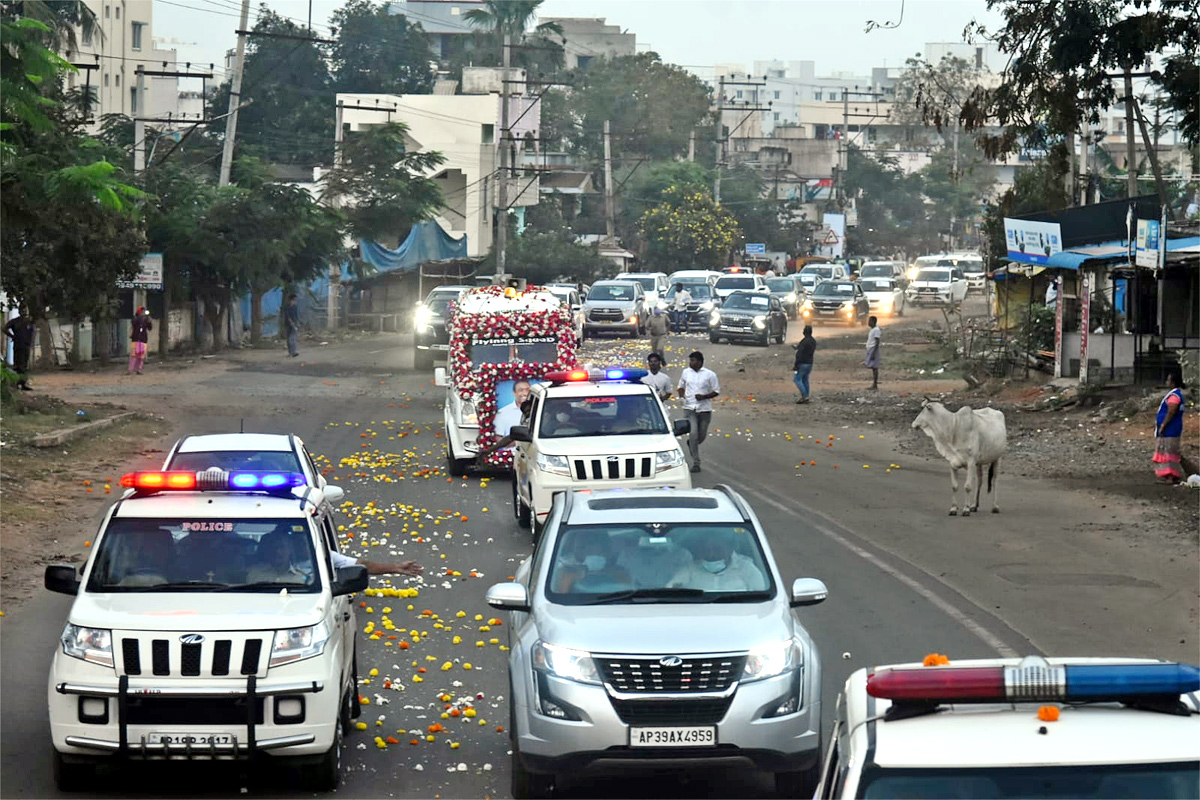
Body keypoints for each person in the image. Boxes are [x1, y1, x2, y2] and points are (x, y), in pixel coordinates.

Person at [667, 531, 766, 591]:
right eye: (707, 550)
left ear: (730, 549)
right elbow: (670, 589)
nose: (711, 554)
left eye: (717, 549)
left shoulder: (747, 569)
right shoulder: (690, 570)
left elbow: (763, 601)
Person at [677, 351, 720, 473]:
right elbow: (681, 386)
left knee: (701, 436)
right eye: (690, 360)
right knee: (694, 433)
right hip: (690, 408)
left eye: (693, 360)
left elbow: (716, 390)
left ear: (700, 362)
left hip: (705, 409)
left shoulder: (710, 375)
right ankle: (696, 462)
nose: (691, 363)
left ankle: (692, 443)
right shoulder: (686, 372)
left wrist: (704, 396)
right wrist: (681, 398)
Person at [554, 535, 632, 594]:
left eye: (590, 548)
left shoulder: (619, 572)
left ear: (605, 552)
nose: (584, 552)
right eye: (581, 548)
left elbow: (628, 594)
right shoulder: (566, 573)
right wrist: (583, 571)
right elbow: (561, 596)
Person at [1153, 368, 1188, 484]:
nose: (1166, 382)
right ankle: (1170, 475)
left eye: (1168, 380)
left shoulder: (1174, 396)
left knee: (1169, 452)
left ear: (1172, 382)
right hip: (1171, 429)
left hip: (1170, 429)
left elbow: (1171, 411)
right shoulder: (1175, 394)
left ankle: (1171, 476)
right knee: (1169, 451)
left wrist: (1163, 424)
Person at [4, 307, 35, 390]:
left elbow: (32, 333)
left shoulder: (29, 321)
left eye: (25, 310)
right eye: (23, 310)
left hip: (26, 346)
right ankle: (17, 383)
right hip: (18, 346)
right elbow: (4, 328)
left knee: (24, 366)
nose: (24, 312)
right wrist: (12, 336)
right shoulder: (15, 321)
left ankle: (23, 383)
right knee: (19, 366)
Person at [793, 325, 816, 404]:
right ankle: (807, 395)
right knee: (805, 379)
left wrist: (796, 365)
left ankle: (804, 396)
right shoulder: (813, 341)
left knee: (797, 379)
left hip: (802, 363)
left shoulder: (804, 341)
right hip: (809, 363)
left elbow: (799, 354)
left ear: (804, 332)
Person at [129, 307, 153, 375]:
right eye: (142, 311)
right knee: (134, 355)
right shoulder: (135, 319)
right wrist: (140, 318)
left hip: (143, 339)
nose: (143, 313)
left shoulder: (146, 319)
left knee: (141, 356)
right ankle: (131, 370)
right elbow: (133, 323)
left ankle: (139, 370)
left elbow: (150, 328)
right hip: (136, 339)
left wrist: (149, 322)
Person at [864, 316, 881, 390]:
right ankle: (874, 384)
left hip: (873, 349)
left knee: (874, 367)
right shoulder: (872, 330)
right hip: (871, 349)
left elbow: (877, 341)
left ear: (873, 322)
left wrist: (874, 353)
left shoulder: (876, 330)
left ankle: (875, 384)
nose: (868, 323)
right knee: (873, 367)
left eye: (870, 321)